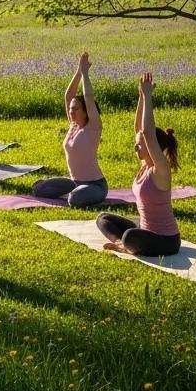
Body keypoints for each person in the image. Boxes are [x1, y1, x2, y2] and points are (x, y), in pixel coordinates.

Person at [96, 73, 181, 257]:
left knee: (130, 235)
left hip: (166, 240)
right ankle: (122, 244)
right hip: (144, 230)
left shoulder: (160, 169)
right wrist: (141, 97)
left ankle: (126, 243)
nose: (136, 147)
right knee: (103, 219)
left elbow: (148, 133)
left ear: (152, 147)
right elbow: (139, 129)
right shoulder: (145, 164)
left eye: (140, 145)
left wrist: (149, 97)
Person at [31, 52, 107, 206]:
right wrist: (78, 71)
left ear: (86, 111)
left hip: (95, 184)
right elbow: (68, 95)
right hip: (74, 182)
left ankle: (82, 194)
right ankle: (75, 191)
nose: (71, 111)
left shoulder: (93, 127)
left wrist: (85, 74)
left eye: (75, 109)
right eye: (70, 109)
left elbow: (88, 97)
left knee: (74, 199)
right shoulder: (73, 125)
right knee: (39, 189)